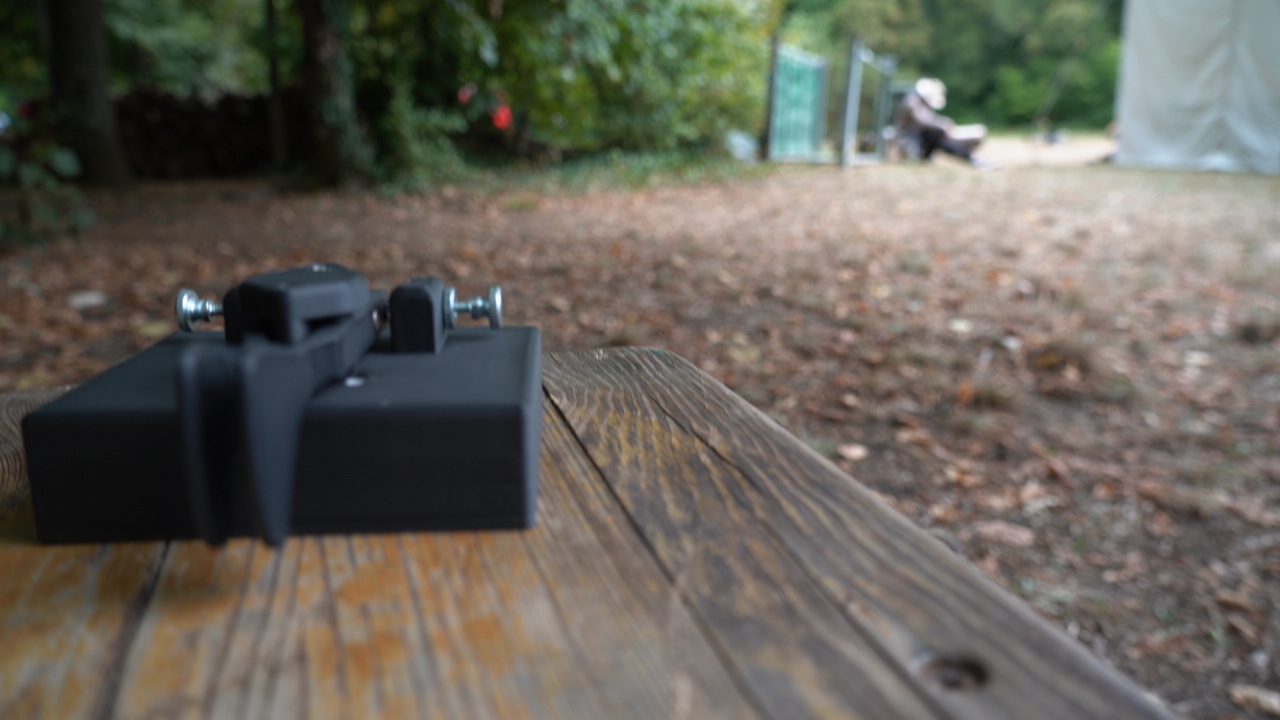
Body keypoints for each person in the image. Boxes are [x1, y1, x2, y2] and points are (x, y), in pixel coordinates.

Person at [891, 78, 991, 167]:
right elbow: (923, 121)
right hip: (910, 142)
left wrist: (942, 124)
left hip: (919, 141)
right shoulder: (912, 101)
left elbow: (928, 120)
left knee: (941, 138)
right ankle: (970, 157)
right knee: (938, 135)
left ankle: (971, 157)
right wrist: (942, 125)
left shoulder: (916, 101)